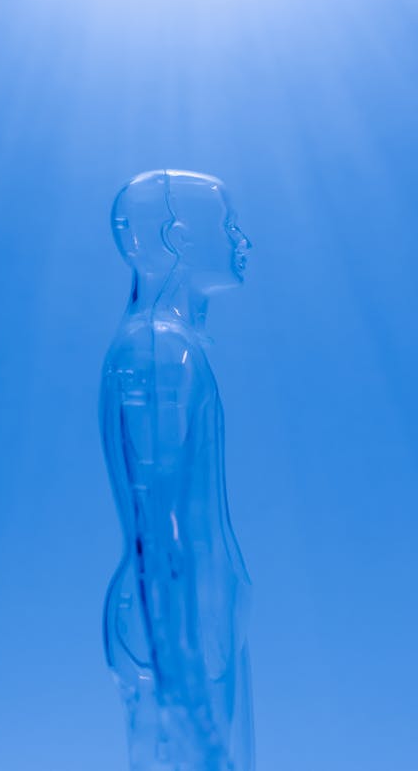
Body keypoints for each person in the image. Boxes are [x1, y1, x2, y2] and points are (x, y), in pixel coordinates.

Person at [100, 170, 254, 771]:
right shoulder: (159, 350)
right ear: (176, 235)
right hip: (174, 612)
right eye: (229, 226)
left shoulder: (172, 344)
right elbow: (161, 524)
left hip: (190, 613)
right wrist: (182, 651)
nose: (243, 242)